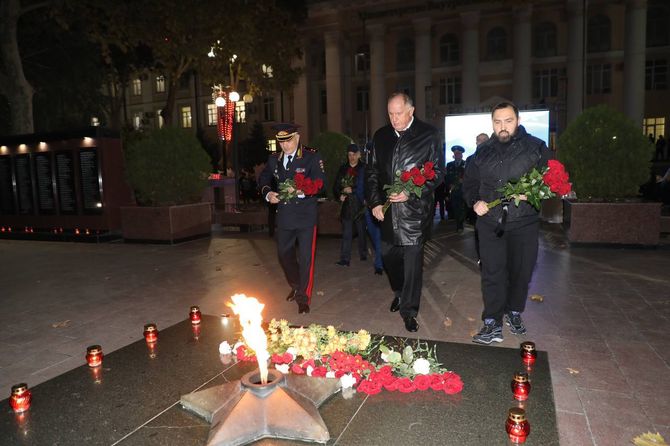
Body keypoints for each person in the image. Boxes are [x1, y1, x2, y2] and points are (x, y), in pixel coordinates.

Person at [463, 101, 551, 344]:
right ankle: (492, 321)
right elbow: (469, 184)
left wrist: (533, 194)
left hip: (524, 222)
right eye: (498, 122)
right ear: (492, 123)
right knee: (492, 272)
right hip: (491, 223)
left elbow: (551, 183)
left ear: (518, 121)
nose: (503, 127)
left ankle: (514, 311)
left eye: (508, 121)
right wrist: (475, 202)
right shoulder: (482, 151)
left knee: (521, 272)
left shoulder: (536, 148)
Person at [367, 92, 445, 333]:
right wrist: (375, 203)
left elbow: (438, 173)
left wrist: (412, 192)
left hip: (415, 212)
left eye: (398, 113)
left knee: (412, 263)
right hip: (388, 212)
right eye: (390, 113)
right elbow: (372, 173)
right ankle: (400, 292)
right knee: (389, 257)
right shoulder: (380, 137)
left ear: (411, 111)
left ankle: (409, 311)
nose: (394, 118)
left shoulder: (429, 135)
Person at [258, 123, 325, 314]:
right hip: (285, 216)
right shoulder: (274, 159)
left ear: (297, 137)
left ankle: (303, 298)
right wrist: (268, 193)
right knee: (283, 254)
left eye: (288, 141)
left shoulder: (311, 156)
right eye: (281, 142)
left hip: (305, 217)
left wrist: (300, 190)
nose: (285, 146)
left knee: (305, 259)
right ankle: (296, 285)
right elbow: (263, 179)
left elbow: (321, 184)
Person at [333, 144, 367, 266]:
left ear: (359, 155)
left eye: (354, 154)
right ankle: (345, 259)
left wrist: (353, 189)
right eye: (349, 155)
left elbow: (367, 185)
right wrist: (339, 195)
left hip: (359, 205)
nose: (352, 157)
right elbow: (336, 185)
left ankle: (363, 254)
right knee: (346, 233)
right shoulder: (343, 169)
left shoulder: (364, 168)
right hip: (347, 205)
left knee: (361, 231)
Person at [445, 145, 467, 231]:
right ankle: (459, 222)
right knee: (455, 207)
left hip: (463, 190)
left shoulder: (466, 163)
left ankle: (460, 224)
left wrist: (464, 181)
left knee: (462, 207)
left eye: (459, 153)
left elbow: (470, 176)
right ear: (453, 155)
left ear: (461, 155)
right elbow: (446, 178)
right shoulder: (449, 165)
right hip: (453, 191)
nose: (457, 155)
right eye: (456, 153)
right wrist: (449, 185)